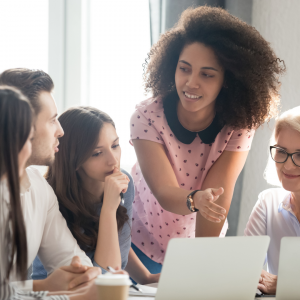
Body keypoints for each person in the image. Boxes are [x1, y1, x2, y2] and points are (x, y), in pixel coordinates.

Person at [130, 6, 285, 273]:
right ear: (172, 67)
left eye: (207, 74)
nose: (191, 83)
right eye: (184, 69)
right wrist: (195, 199)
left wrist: (202, 263)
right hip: (140, 243)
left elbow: (217, 200)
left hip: (195, 245)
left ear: (226, 80)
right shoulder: (146, 117)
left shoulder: (239, 126)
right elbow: (166, 192)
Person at [32, 107, 160, 284]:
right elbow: (104, 279)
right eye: (97, 153)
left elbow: (117, 240)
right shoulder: (48, 197)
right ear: (74, 159)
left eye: (115, 145)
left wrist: (145, 277)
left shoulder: (123, 182)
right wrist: (108, 209)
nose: (113, 160)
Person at [0, 69, 101, 292]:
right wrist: (41, 286)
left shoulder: (38, 188)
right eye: (52, 120)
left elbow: (70, 260)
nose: (61, 131)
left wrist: (87, 276)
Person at [244, 106, 300, 295]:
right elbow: (247, 271)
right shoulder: (267, 202)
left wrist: (287, 282)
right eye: (281, 151)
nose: (288, 164)